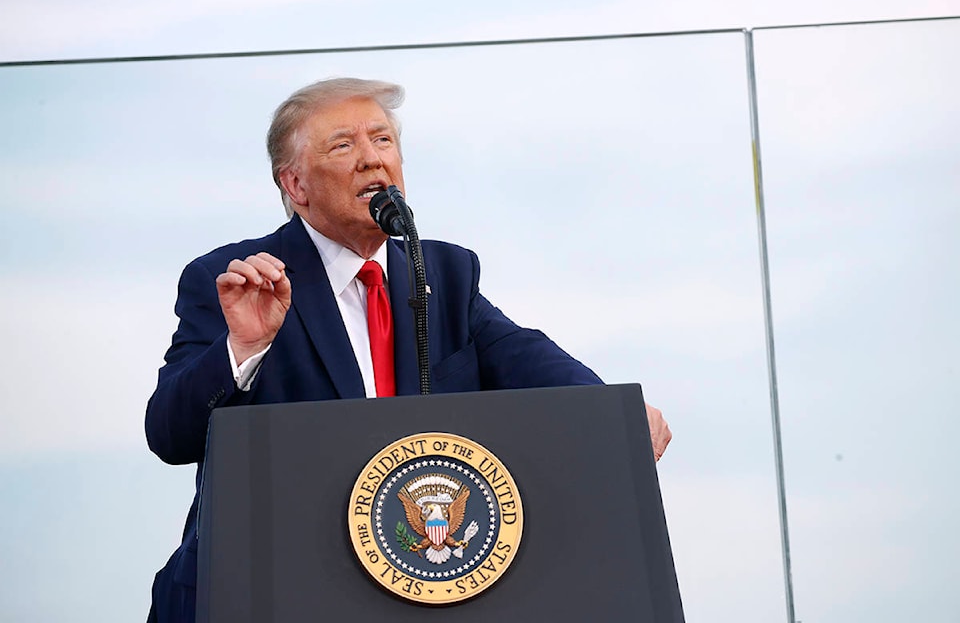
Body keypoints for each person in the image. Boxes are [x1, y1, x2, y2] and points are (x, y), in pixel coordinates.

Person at [144, 77, 671, 623]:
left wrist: (616, 416)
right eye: (344, 145)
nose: (372, 160)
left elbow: (528, 356)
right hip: (260, 591)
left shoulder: (442, 272)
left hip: (406, 590)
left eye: (383, 141)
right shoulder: (237, 281)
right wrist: (244, 347)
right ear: (295, 184)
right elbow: (169, 432)